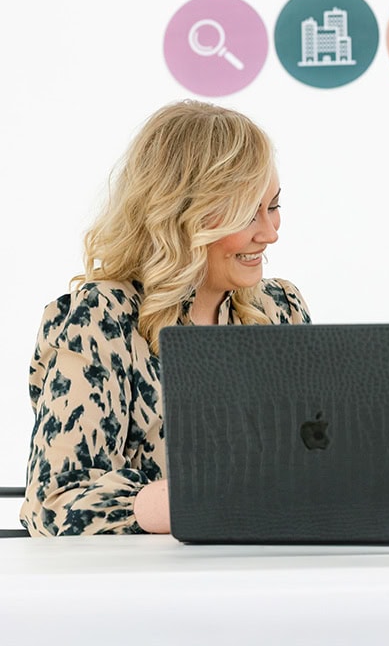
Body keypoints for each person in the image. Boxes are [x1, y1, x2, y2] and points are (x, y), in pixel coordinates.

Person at [20, 100, 310, 536]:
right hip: (153, 590)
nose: (270, 232)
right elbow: (55, 502)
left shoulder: (281, 307)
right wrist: (212, 501)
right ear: (182, 215)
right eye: (248, 211)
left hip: (273, 574)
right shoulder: (102, 319)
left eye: (273, 206)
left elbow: (315, 459)